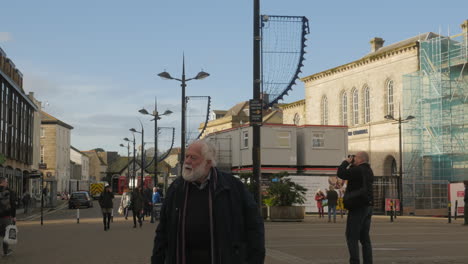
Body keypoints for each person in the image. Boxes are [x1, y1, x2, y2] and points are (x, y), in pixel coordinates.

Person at [151, 139, 265, 264]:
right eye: (187, 156)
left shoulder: (232, 187)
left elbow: (254, 226)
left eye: (193, 158)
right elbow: (163, 230)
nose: (187, 161)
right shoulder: (176, 188)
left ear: (208, 162)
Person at [337, 152, 374, 264]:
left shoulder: (358, 170)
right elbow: (353, 175)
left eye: (355, 157)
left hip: (357, 206)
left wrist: (346, 162)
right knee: (364, 238)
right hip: (367, 206)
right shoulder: (368, 170)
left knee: (351, 236)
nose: (353, 158)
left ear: (361, 159)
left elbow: (341, 173)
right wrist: (353, 163)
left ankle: (354, 261)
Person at [0, 176, 16, 257]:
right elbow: (13, 204)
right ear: (3, 182)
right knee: (6, 235)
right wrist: (14, 216)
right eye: (6, 182)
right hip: (6, 217)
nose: (7, 183)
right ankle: (5, 252)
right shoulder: (9, 191)